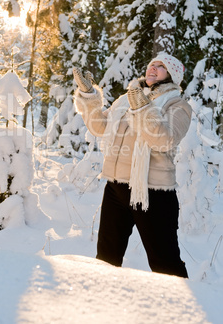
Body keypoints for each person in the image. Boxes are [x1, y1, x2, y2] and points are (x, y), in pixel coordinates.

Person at [73, 54, 192, 278]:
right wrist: (89, 96)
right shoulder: (126, 98)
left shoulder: (178, 105)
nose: (153, 69)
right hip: (116, 189)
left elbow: (164, 140)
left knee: (164, 263)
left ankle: (180, 308)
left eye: (161, 67)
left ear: (172, 75)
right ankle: (101, 302)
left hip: (153, 193)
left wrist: (142, 109)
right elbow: (100, 127)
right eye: (152, 64)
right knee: (106, 257)